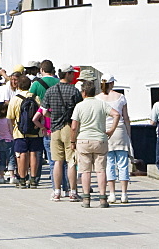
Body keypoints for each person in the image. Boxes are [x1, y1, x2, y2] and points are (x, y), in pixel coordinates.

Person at [70, 79, 120, 208]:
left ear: (84, 92)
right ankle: (103, 198)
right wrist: (111, 130)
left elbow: (74, 126)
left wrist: (72, 141)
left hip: (83, 140)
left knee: (85, 171)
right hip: (100, 139)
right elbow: (116, 114)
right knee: (101, 170)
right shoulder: (101, 104)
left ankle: (86, 199)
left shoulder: (79, 106)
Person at [37, 64, 82, 201]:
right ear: (67, 74)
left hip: (55, 129)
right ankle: (73, 192)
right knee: (71, 161)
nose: (74, 75)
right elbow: (79, 112)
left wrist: (53, 117)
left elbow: (44, 112)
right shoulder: (74, 91)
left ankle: (57, 191)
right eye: (72, 73)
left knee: (57, 161)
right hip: (69, 127)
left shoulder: (50, 91)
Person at [97, 74, 131, 204]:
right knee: (123, 164)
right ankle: (124, 194)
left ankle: (112, 194)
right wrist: (129, 134)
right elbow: (126, 117)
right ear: (112, 83)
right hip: (120, 130)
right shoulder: (121, 97)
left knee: (109, 164)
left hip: (105, 131)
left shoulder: (98, 99)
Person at [7, 74, 43, 188]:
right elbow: (41, 114)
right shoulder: (36, 98)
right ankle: (33, 179)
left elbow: (10, 118)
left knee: (22, 154)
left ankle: (22, 178)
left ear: (18, 85)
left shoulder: (15, 99)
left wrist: (12, 131)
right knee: (34, 154)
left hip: (20, 131)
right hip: (35, 131)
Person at [0, 100, 15, 184]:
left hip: (1, 140)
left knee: (2, 158)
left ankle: (1, 177)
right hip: (9, 140)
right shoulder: (8, 119)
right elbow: (11, 130)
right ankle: (12, 176)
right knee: (10, 158)